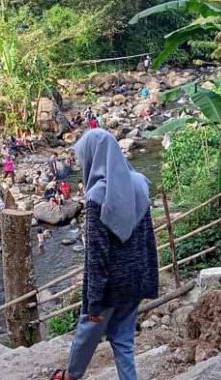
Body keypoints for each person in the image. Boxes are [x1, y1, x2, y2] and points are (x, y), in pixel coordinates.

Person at [50, 129, 158, 380]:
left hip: (110, 285)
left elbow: (97, 254)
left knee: (87, 329)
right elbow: (146, 238)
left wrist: (94, 300)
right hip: (136, 279)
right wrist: (147, 278)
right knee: (123, 340)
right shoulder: (140, 182)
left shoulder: (97, 194)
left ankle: (70, 376)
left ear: (93, 157)